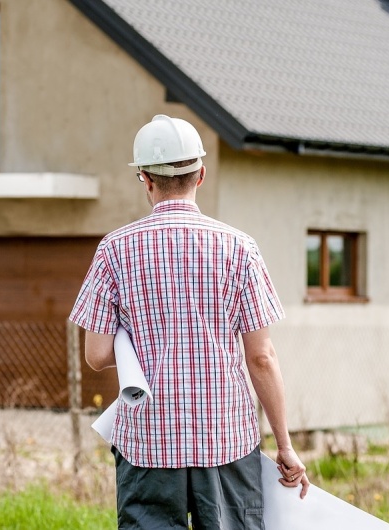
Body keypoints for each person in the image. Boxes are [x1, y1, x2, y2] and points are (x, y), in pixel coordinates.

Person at [70, 114, 309, 529]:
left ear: (144, 179)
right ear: (201, 174)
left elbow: (96, 355)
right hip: (226, 440)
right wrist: (284, 445)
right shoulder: (240, 248)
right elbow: (262, 358)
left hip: (147, 443)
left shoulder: (114, 250)